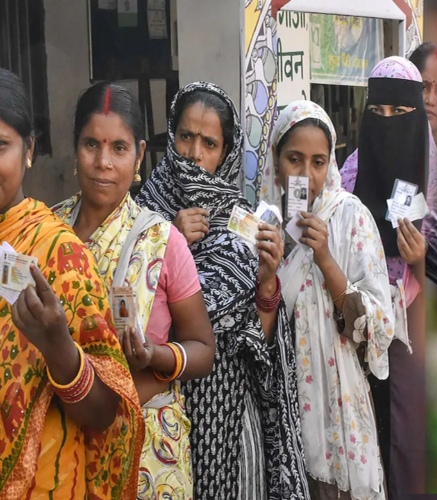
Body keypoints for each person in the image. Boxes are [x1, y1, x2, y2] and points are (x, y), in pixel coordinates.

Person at [136, 82, 308, 500]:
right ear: (170, 139)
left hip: (229, 413)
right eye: (185, 137)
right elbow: (132, 313)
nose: (195, 154)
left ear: (226, 153)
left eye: (209, 143)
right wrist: (169, 241)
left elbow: (260, 342)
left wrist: (268, 280)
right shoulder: (141, 216)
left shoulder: (245, 227)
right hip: (161, 408)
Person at [52, 81, 216, 500]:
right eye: (92, 144)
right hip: (62, 444)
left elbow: (202, 348)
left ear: (140, 154)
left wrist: (156, 356)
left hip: (147, 452)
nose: (103, 162)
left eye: (119, 148)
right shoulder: (47, 231)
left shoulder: (163, 241)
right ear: (75, 149)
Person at [0, 69, 143, 499]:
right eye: (92, 145)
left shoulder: (57, 253)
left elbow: (105, 413)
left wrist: (58, 347)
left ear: (29, 151)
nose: (103, 160)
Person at [261, 100, 398, 500]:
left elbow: (378, 327)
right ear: (276, 160)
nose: (307, 175)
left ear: (331, 164)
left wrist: (325, 259)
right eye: (294, 159)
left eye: (318, 162)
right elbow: (255, 334)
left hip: (339, 406)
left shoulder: (349, 216)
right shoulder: (262, 225)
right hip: (284, 405)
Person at [339, 56, 434, 495]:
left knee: (411, 433)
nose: (388, 122)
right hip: (359, 322)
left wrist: (421, 262)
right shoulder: (352, 170)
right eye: (378, 112)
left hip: (418, 325)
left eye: (400, 112)